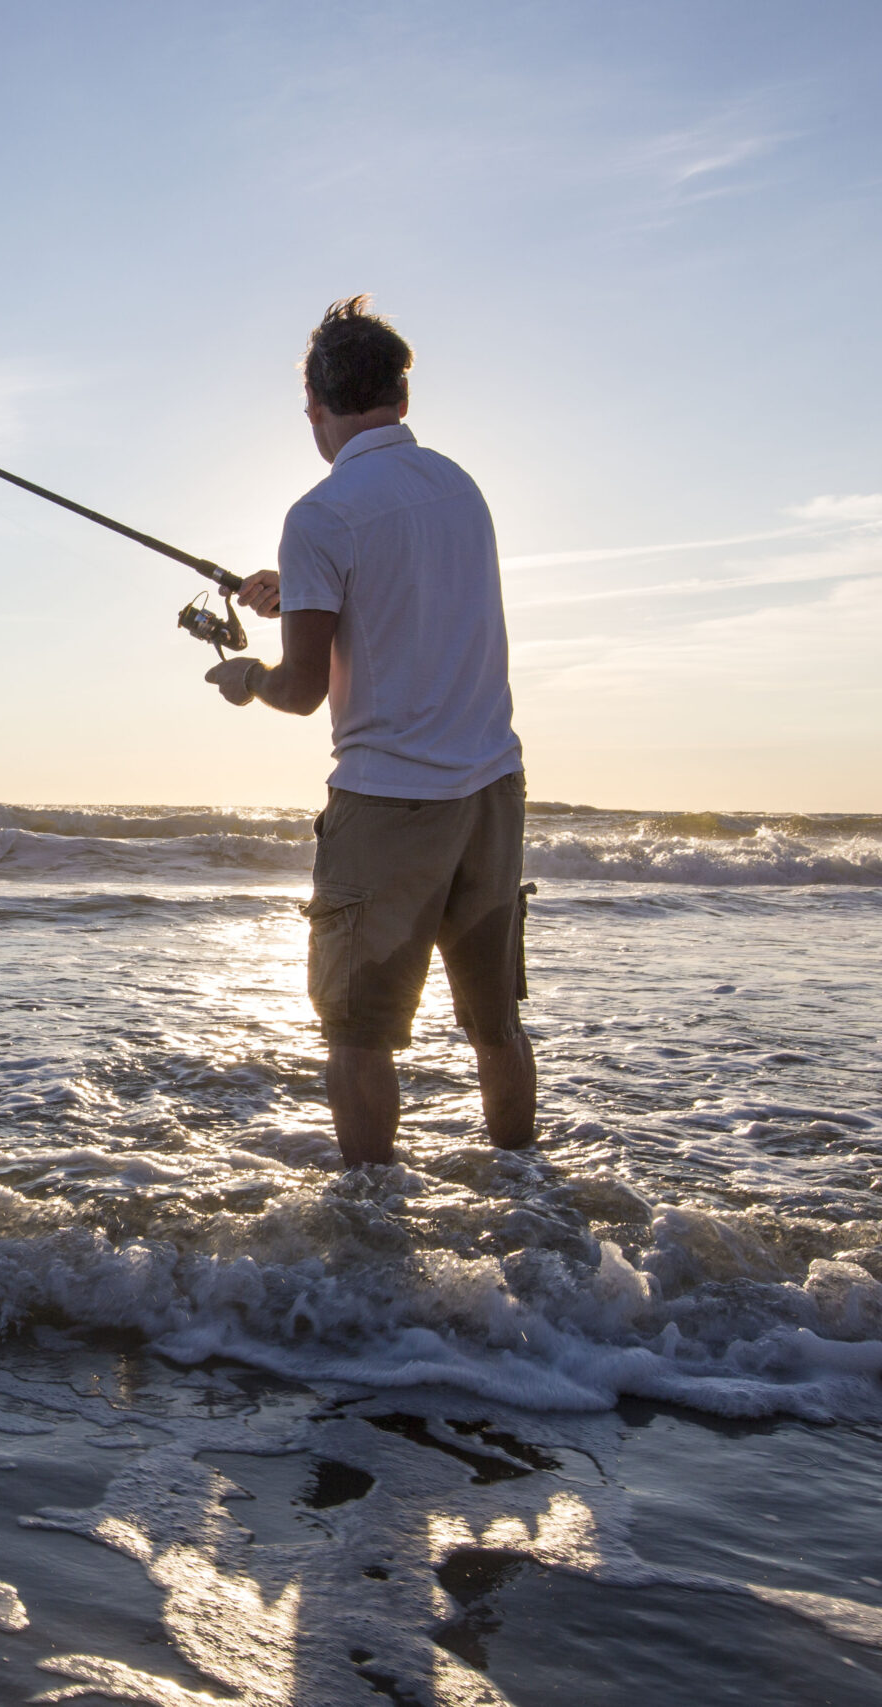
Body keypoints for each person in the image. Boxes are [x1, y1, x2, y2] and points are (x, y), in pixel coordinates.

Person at [203, 296, 533, 1168]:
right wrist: (297, 593)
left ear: (317, 406)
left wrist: (248, 681)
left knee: (357, 1034)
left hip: (390, 801)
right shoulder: (461, 487)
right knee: (495, 1024)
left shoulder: (321, 514)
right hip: (493, 790)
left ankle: (372, 1232)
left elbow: (304, 690)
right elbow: (406, 602)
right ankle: (531, 1200)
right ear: (401, 397)